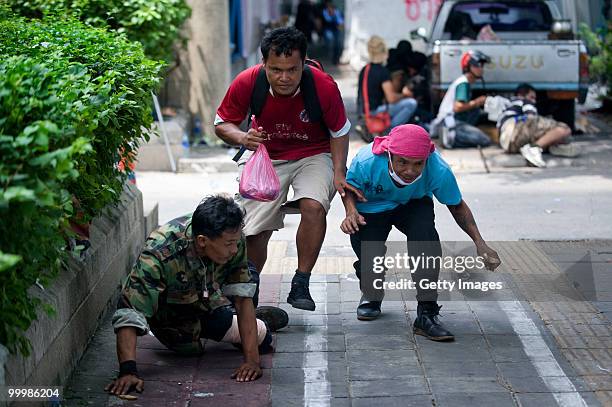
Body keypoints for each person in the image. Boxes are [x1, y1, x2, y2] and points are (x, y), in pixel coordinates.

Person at [215, 27, 362, 312]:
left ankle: (301, 281)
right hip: (265, 156)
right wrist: (243, 138)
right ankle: (248, 288)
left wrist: (339, 173)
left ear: (303, 63)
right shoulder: (248, 81)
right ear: (264, 64)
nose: (284, 78)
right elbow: (222, 123)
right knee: (256, 228)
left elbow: (339, 131)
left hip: (314, 153)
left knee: (313, 206)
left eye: (292, 70)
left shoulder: (323, 86)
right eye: (276, 70)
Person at [105, 196, 289, 397]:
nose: (235, 250)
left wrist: (252, 362)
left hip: (211, 292)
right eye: (229, 244)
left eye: (237, 242)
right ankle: (230, 315)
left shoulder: (232, 238)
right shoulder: (160, 252)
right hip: (175, 312)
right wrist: (128, 370)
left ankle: (247, 318)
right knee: (189, 349)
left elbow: (242, 295)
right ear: (202, 241)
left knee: (263, 338)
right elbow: (130, 310)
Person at [340, 125, 501, 341]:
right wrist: (350, 212)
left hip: (414, 202)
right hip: (372, 206)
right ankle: (371, 292)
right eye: (402, 163)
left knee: (426, 241)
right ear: (389, 154)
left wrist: (480, 243)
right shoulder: (366, 161)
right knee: (369, 254)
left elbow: (456, 206)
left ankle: (427, 314)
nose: (410, 171)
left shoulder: (438, 168)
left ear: (427, 158)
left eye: (418, 164)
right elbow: (348, 188)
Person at [498, 83, 579, 168]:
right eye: (532, 97)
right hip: (516, 129)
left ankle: (547, 146)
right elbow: (531, 116)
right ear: (520, 95)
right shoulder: (524, 101)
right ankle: (535, 148)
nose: (534, 101)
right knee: (564, 129)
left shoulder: (506, 107)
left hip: (508, 144)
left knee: (547, 136)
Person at [432, 50, 492, 149]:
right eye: (477, 65)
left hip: (452, 121)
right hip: (449, 122)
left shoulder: (465, 82)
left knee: (477, 112)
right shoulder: (463, 83)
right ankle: (450, 138)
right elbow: (458, 107)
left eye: (482, 66)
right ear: (468, 67)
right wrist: (477, 102)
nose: (481, 69)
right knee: (485, 140)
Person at [357, 36, 417, 129]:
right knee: (411, 103)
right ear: (384, 52)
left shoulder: (365, 69)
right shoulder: (382, 71)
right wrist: (405, 94)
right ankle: (392, 129)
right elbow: (391, 98)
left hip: (364, 111)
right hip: (375, 111)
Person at [321, 1, 344, 65]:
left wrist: (339, 24)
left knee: (337, 45)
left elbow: (340, 21)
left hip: (336, 30)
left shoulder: (336, 12)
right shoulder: (325, 12)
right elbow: (327, 20)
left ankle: (336, 59)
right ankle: (330, 57)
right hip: (328, 30)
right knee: (330, 44)